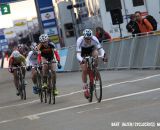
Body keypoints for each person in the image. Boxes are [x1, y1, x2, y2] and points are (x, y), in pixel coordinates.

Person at [76, 29, 106, 99]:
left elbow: (100, 49)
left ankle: (95, 69)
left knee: (96, 54)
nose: (88, 40)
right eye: (87, 39)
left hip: (91, 50)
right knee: (84, 69)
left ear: (91, 37)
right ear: (84, 37)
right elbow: (78, 55)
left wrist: (104, 55)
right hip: (82, 52)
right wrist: (82, 60)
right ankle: (85, 87)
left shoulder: (94, 39)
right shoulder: (80, 40)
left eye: (90, 39)